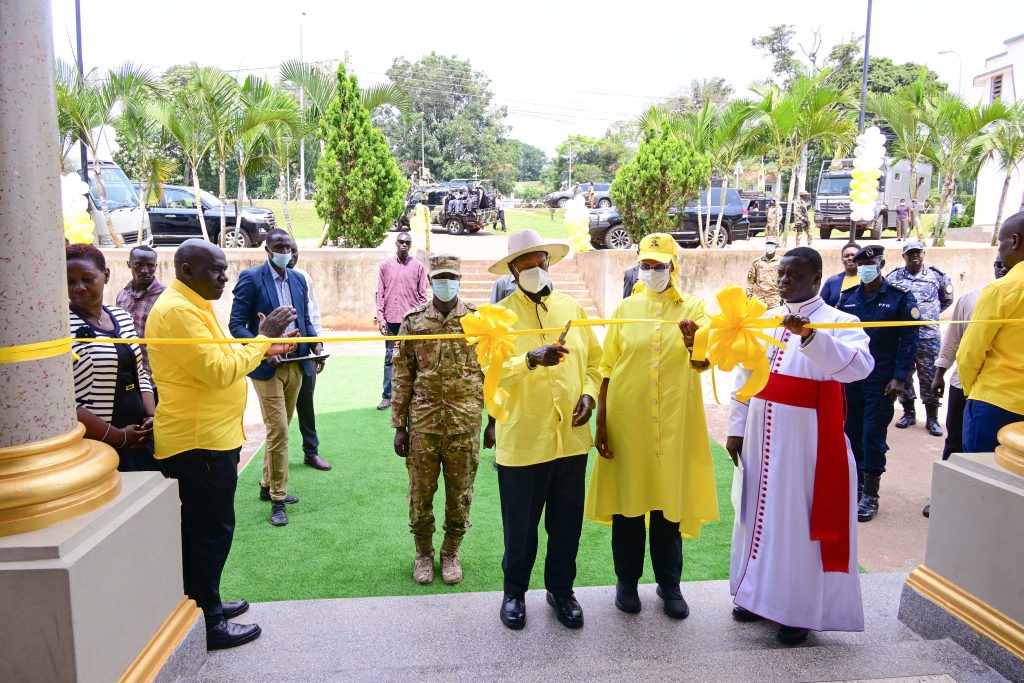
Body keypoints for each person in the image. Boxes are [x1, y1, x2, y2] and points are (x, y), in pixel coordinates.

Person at [147, 239, 298, 650]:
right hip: (199, 444)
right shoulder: (178, 310)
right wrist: (263, 338)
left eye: (224, 269)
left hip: (210, 439)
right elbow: (218, 371)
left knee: (205, 529)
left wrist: (264, 345)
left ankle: (202, 602)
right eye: (216, 270)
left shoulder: (192, 304)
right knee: (210, 532)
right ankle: (209, 621)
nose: (225, 277)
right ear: (186, 269)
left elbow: (223, 354)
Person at [726, 247, 874, 646]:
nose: (784, 280)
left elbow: (859, 368)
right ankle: (757, 596)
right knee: (759, 515)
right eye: (782, 274)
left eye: (793, 274)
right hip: (760, 432)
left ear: (816, 276)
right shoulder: (766, 320)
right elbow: (746, 374)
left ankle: (796, 609)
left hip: (806, 440)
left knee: (796, 520)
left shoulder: (841, 320)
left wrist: (809, 336)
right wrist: (736, 428)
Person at [586, 233, 718, 618]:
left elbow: (702, 363)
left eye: (660, 265)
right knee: (628, 508)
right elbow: (608, 368)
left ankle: (669, 585)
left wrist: (696, 343)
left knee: (667, 509)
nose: (652, 271)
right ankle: (626, 583)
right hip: (629, 421)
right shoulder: (625, 309)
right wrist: (603, 421)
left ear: (674, 266)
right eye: (646, 264)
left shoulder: (695, 308)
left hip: (674, 425)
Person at [485, 229, 602, 631]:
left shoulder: (572, 308)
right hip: (522, 441)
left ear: (548, 263)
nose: (534, 268)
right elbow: (489, 375)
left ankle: (561, 591)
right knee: (521, 529)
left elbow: (594, 363)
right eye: (525, 263)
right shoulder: (498, 317)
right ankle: (514, 593)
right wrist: (529, 360)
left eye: (540, 261)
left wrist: (588, 394)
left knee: (566, 526)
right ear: (513, 269)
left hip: (570, 441)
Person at [391, 254, 485, 585]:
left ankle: (450, 553)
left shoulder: (478, 320)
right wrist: (399, 426)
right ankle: (422, 554)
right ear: (430, 282)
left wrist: (495, 421)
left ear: (460, 279)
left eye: (452, 277)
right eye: (440, 278)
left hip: (465, 422)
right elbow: (402, 373)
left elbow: (494, 370)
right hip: (424, 424)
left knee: (460, 495)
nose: (447, 283)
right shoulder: (413, 321)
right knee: (421, 495)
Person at [230, 228, 321, 527]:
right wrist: (265, 345)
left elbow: (304, 319)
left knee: (279, 430)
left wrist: (315, 344)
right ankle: (278, 500)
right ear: (267, 249)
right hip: (266, 367)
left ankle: (267, 485)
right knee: (279, 430)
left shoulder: (298, 279)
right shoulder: (251, 278)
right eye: (279, 246)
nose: (285, 251)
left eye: (289, 247)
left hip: (296, 364)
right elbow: (236, 325)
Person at [837, 245, 920, 523]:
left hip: (882, 379)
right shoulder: (848, 298)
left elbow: (909, 339)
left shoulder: (899, 298)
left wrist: (900, 376)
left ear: (882, 263)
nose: (864, 267)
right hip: (852, 377)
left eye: (870, 262)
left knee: (873, 434)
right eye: (860, 264)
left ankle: (871, 494)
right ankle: (855, 485)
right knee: (851, 430)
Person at [924, 257, 1009, 517]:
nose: (1002, 269)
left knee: (998, 451)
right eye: (997, 264)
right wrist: (939, 374)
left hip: (1000, 391)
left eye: (1007, 265)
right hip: (964, 385)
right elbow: (954, 339)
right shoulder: (972, 298)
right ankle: (945, 498)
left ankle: (987, 506)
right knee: (956, 441)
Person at [67, 244, 157, 472]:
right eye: (70, 281)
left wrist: (151, 415)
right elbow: (67, 402)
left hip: (140, 435)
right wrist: (117, 436)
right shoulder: (60, 327)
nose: (79, 288)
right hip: (97, 443)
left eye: (87, 279)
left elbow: (140, 372)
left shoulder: (122, 317)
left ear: (105, 275)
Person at [957, 212, 1024, 453]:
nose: (1000, 249)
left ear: (1015, 241)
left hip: (995, 402)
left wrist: (972, 390)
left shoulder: (1002, 289)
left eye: (1001, 242)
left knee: (983, 479)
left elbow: (969, 352)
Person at [886, 241, 954, 437]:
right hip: (903, 336)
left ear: (924, 253)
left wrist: (928, 314)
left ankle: (932, 417)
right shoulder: (894, 277)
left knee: (930, 376)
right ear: (903, 256)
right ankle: (908, 413)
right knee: (904, 375)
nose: (914, 256)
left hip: (928, 335)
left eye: (918, 253)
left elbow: (946, 300)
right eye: (910, 253)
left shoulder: (937, 276)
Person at [287, 237, 332, 472]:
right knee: (279, 417)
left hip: (304, 354)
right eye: (284, 250)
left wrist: (318, 345)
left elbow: (311, 314)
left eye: (294, 250)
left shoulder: (303, 278)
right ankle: (276, 461)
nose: (290, 255)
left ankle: (311, 452)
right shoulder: (258, 279)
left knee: (306, 405)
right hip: (277, 359)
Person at [376, 233, 427, 410]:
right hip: (391, 322)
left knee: (413, 358)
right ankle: (387, 396)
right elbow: (380, 295)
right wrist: (380, 318)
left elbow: (422, 296)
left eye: (408, 242)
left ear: (410, 245)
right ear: (395, 243)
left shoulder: (418, 267)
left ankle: (414, 395)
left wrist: (420, 319)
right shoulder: (385, 266)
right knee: (391, 357)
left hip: (411, 322)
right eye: (401, 242)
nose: (404, 245)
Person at [115, 245, 166, 381]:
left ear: (156, 266)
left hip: (154, 376)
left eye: (150, 266)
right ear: (129, 264)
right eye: (138, 265)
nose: (145, 270)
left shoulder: (165, 297)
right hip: (126, 372)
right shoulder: (123, 295)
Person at [820, 243, 861, 307]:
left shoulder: (869, 280)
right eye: (846, 256)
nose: (850, 258)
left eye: (853, 255)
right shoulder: (832, 281)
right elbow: (821, 307)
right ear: (842, 259)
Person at [745, 238, 781, 309]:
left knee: (773, 319)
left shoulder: (782, 262)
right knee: (758, 319)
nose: (769, 246)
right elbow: (750, 281)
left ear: (776, 246)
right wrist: (749, 296)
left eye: (772, 245)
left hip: (774, 299)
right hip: (759, 299)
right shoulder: (757, 262)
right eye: (768, 244)